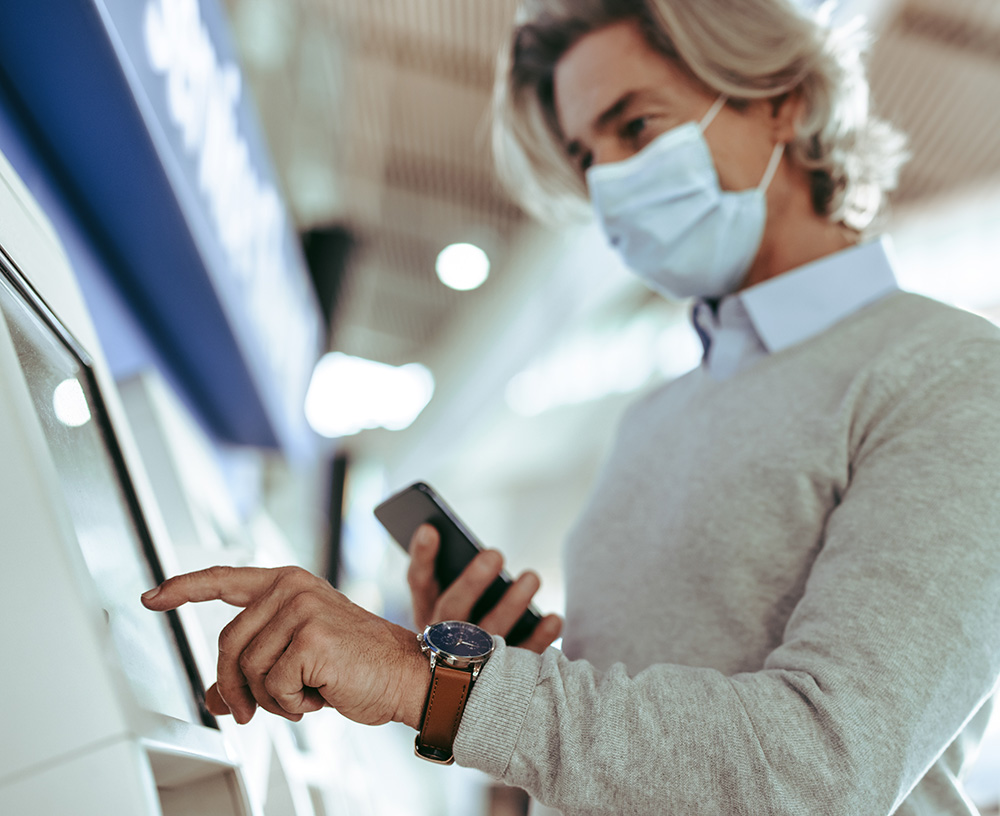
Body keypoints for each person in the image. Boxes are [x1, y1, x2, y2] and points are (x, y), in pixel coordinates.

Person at [142, 0, 1000, 813]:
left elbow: (825, 770)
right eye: (588, 156)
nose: (612, 184)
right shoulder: (656, 418)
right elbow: (633, 748)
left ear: (785, 99)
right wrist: (494, 669)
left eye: (636, 126)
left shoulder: (955, 378)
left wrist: (427, 683)